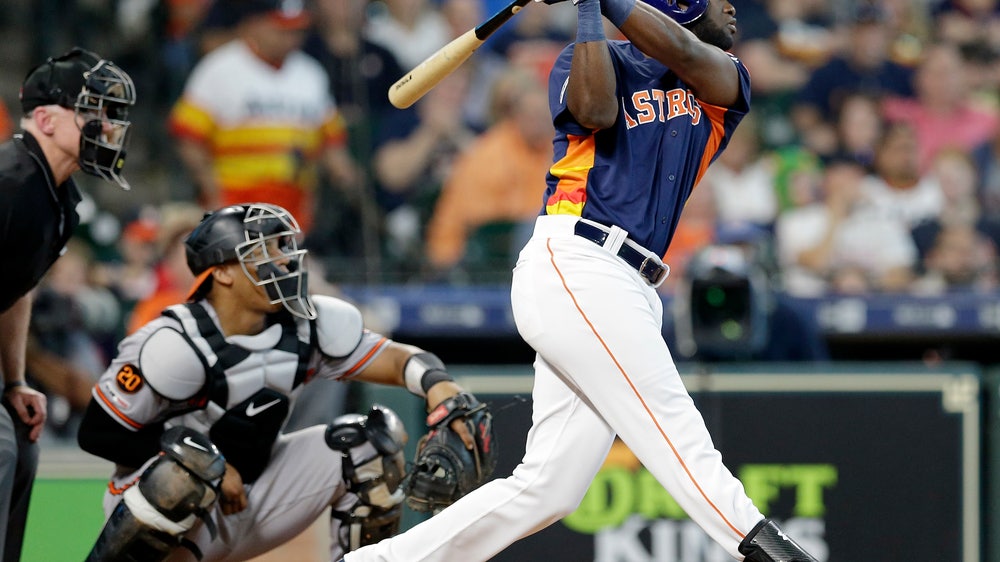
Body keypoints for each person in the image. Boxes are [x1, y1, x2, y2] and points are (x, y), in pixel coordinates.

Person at [345, 0, 817, 560]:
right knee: (675, 429)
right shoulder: (589, 57)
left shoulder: (724, 76)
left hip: (632, 284)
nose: (732, 8)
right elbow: (593, 111)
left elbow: (685, 50)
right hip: (580, 262)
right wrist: (590, 8)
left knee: (549, 487)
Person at [76, 202, 484, 561]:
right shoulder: (174, 342)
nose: (284, 261)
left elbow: (394, 359)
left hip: (255, 493)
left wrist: (437, 384)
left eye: (284, 248)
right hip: (173, 513)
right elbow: (98, 434)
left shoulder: (308, 324)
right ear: (222, 274)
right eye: (263, 251)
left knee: (368, 445)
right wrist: (210, 463)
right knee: (184, 475)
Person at [0, 47, 135, 560]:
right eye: (96, 111)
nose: (110, 126)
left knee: (19, 444)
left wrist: (14, 381)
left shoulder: (58, 198)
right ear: (45, 118)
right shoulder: (9, 184)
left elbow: (14, 290)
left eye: (114, 115)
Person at [168, 0, 360, 233]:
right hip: (235, 207)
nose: (291, 38)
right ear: (254, 24)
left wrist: (348, 180)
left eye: (296, 30)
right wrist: (212, 191)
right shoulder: (220, 68)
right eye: (281, 29)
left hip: (293, 212)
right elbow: (188, 137)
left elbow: (332, 143)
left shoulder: (311, 73)